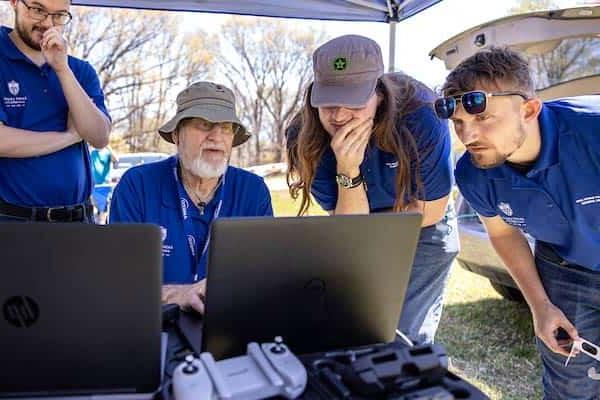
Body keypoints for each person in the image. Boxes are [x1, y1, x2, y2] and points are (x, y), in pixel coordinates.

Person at [437, 47, 600, 399]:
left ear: (528, 109)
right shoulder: (474, 173)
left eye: (483, 119)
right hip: (563, 266)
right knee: (570, 383)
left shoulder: (593, 131)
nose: (468, 136)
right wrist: (540, 306)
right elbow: (504, 234)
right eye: (460, 122)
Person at [286, 35, 458, 344]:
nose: (338, 116)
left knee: (405, 334)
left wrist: (368, 225)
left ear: (379, 93)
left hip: (423, 228)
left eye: (352, 100)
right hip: (357, 228)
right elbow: (350, 228)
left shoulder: (422, 115)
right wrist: (348, 169)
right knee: (353, 324)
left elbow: (430, 211)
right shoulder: (304, 137)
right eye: (327, 101)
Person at [110, 81, 273, 314]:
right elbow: (118, 282)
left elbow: (265, 277)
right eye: (204, 125)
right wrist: (177, 294)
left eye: (226, 127)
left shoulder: (253, 191)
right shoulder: (137, 186)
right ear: (177, 135)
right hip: (153, 325)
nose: (216, 136)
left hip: (230, 323)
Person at [0, 0, 111, 222]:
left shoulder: (79, 71)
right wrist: (70, 136)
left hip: (77, 222)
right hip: (12, 222)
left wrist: (62, 69)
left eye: (59, 16)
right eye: (38, 10)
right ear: (14, 3)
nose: (48, 23)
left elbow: (99, 137)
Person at [90, 145, 117, 223]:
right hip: (93, 186)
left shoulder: (107, 153)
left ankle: (101, 229)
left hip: (104, 186)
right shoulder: (92, 152)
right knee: (94, 211)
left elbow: (116, 160)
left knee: (103, 212)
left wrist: (108, 146)